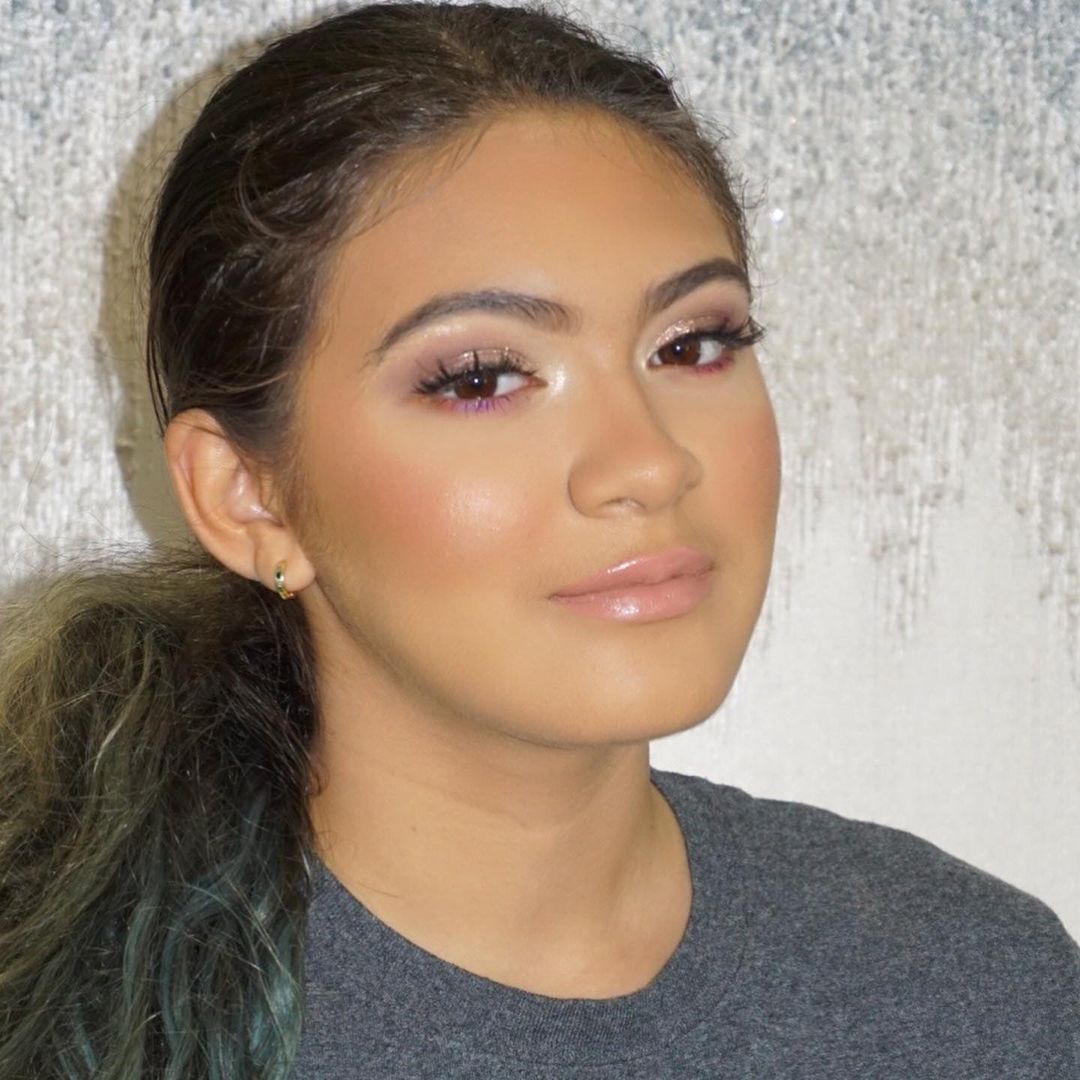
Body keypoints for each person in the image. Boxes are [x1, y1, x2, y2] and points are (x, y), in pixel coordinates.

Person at [0, 2, 1076, 1077]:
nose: (649, 462)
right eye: (481, 378)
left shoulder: (977, 994)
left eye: (693, 345)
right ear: (247, 497)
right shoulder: (61, 1028)